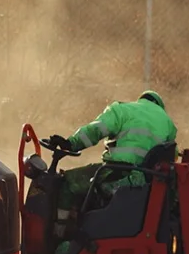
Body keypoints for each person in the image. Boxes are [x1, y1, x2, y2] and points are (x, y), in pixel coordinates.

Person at [43, 90, 178, 241]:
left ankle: (58, 234)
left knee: (68, 183)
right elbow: (172, 155)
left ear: (141, 100)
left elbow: (97, 129)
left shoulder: (123, 110)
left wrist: (71, 143)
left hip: (115, 173)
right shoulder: (168, 123)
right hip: (145, 182)